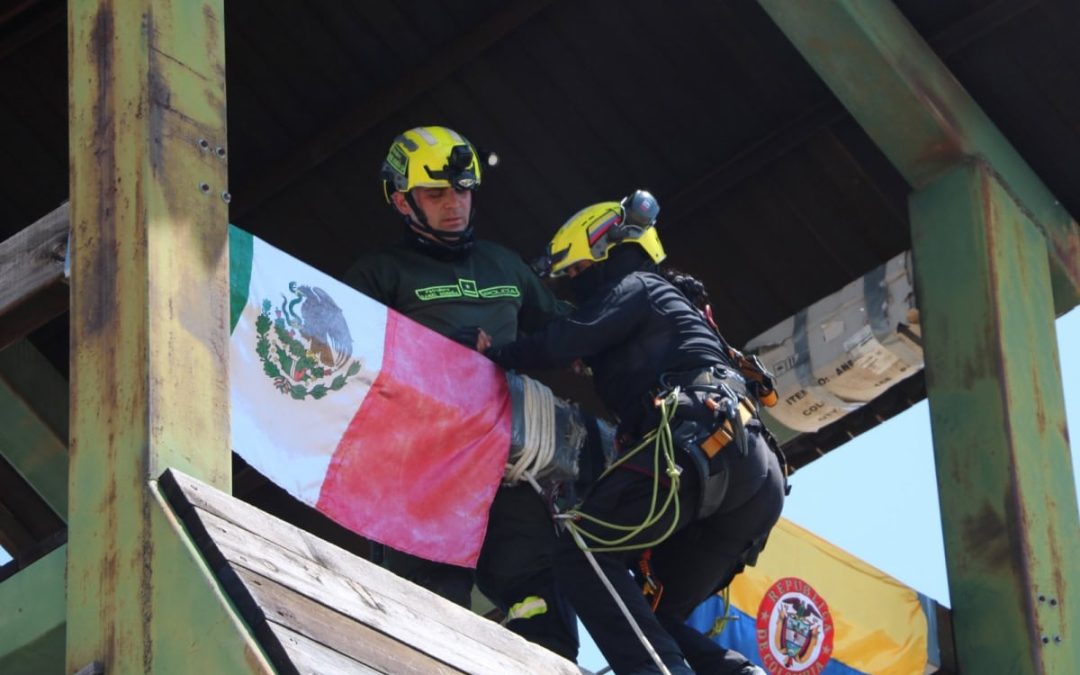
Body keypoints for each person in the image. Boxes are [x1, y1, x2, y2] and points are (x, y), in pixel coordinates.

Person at [482, 190, 784, 675]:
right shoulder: (677, 308)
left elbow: (565, 340)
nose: (576, 290)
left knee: (583, 546)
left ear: (612, 254)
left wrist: (494, 354)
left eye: (578, 274)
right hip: (754, 476)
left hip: (697, 443)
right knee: (654, 612)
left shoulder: (639, 286)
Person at [342, 125, 578, 660]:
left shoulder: (504, 264)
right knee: (427, 618)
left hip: (508, 467)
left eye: (463, 190)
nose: (455, 205)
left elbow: (571, 335)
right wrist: (441, 349)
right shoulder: (379, 273)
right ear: (403, 201)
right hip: (417, 473)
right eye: (436, 194)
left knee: (541, 596)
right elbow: (338, 354)